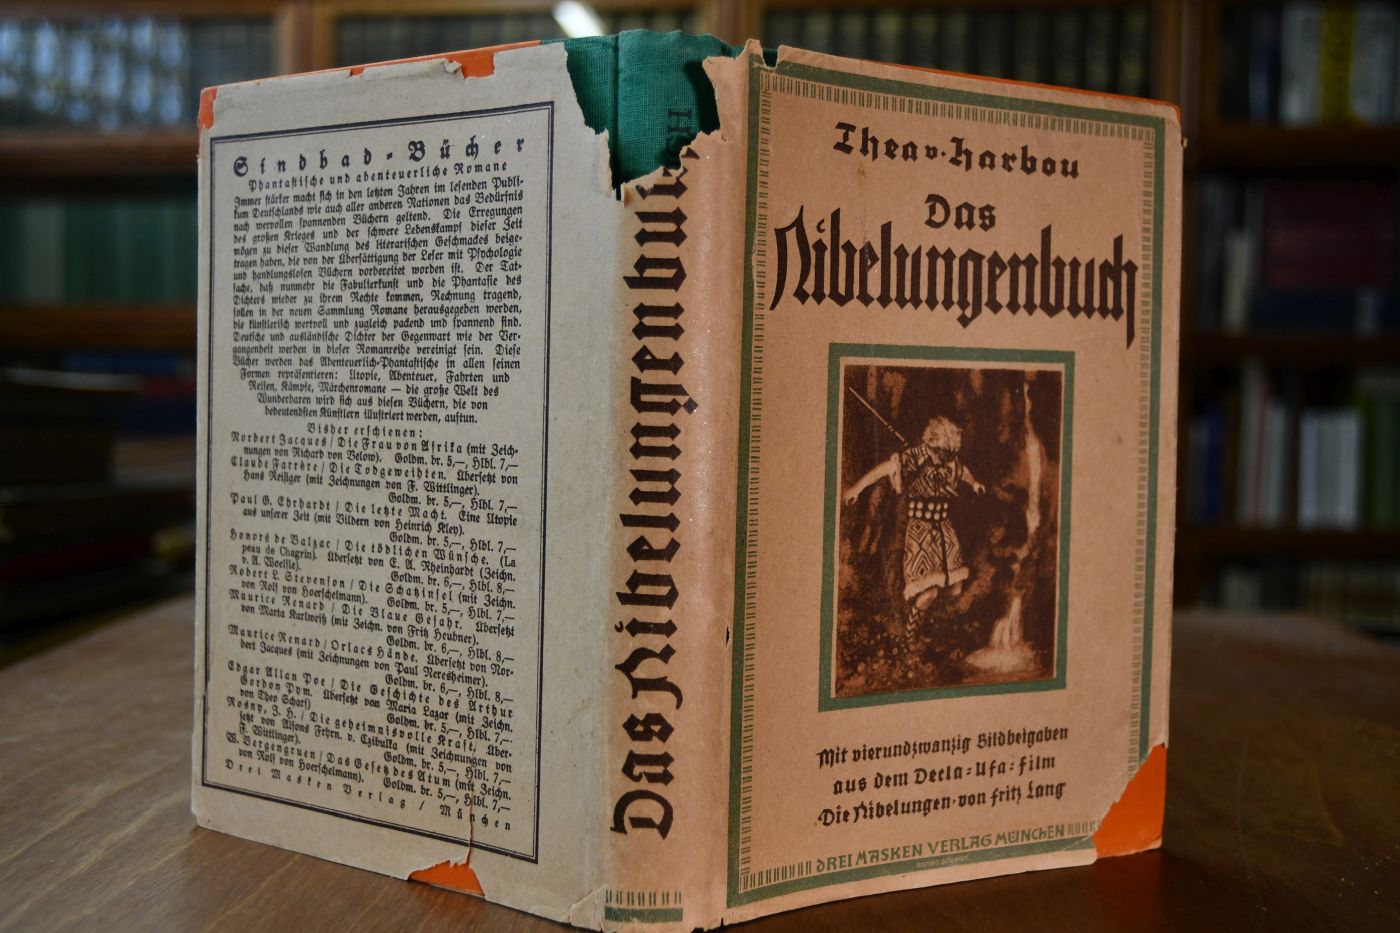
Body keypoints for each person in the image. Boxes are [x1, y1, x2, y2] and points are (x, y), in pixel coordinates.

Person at [844, 416, 984, 664]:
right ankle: (909, 639)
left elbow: (963, 473)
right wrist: (857, 488)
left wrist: (974, 484)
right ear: (933, 443)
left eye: (950, 453)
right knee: (928, 592)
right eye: (943, 451)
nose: (947, 457)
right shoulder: (912, 458)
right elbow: (882, 471)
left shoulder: (950, 461)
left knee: (955, 587)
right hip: (920, 534)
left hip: (945, 532)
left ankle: (929, 628)